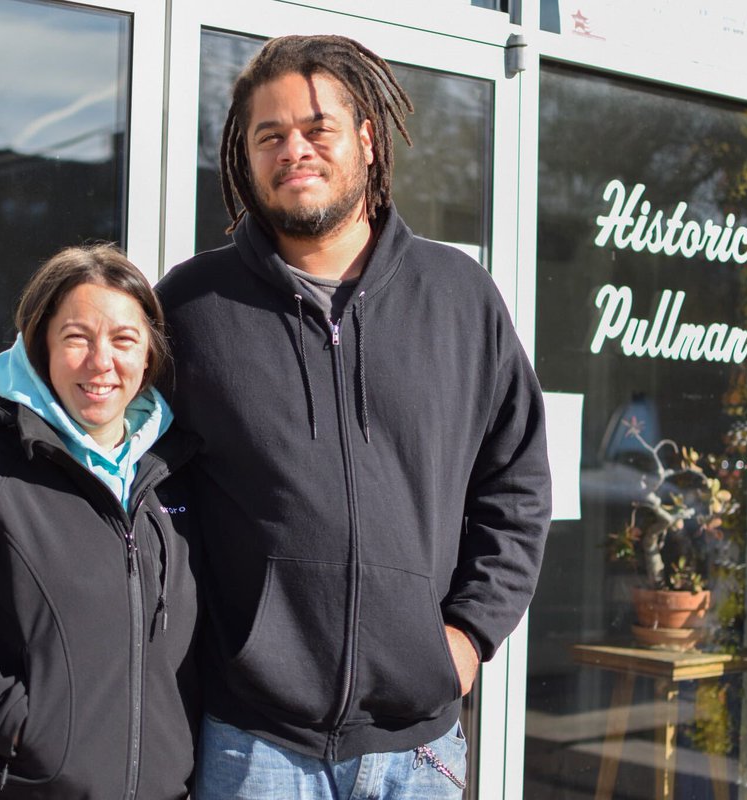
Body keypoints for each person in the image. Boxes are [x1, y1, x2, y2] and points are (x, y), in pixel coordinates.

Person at [156, 34, 552, 799]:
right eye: (269, 135)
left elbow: (519, 483)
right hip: (254, 743)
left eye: (316, 128)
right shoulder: (193, 308)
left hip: (421, 747)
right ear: (246, 157)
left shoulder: (459, 297)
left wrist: (468, 637)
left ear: (368, 139)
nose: (293, 150)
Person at [0, 244, 200, 799]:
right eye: (76, 338)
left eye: (124, 339)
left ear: (149, 356)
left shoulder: (176, 474)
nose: (101, 362)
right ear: (40, 345)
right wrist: (22, 726)